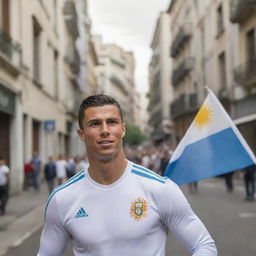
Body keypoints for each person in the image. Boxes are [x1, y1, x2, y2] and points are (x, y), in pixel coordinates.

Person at [38, 94, 218, 256]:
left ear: (122, 129)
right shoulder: (61, 199)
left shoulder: (160, 188)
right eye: (95, 124)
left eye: (112, 122)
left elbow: (204, 245)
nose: (105, 130)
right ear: (81, 134)